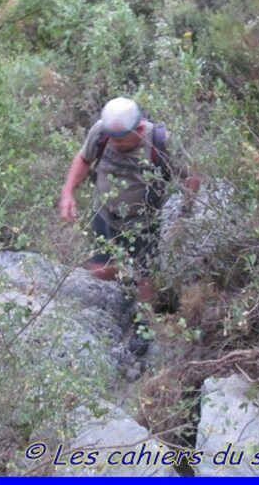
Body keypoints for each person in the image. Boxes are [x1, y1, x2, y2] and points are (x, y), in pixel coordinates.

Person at [59, 97, 199, 349]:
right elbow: (83, 159)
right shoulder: (101, 133)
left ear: (140, 129)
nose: (115, 143)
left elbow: (192, 174)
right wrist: (68, 192)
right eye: (112, 138)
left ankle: (143, 325)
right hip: (104, 215)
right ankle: (113, 306)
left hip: (143, 221)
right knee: (100, 269)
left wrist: (185, 212)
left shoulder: (160, 141)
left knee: (145, 274)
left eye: (122, 140)